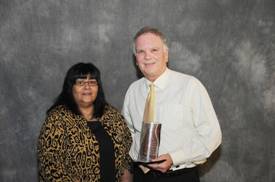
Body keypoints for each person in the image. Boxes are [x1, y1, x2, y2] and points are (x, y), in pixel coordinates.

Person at [122, 26, 222, 182]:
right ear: (136, 59)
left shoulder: (190, 86)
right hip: (142, 176)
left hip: (179, 176)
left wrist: (174, 157)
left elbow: (211, 136)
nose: (147, 56)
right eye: (141, 52)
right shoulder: (133, 91)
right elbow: (126, 133)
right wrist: (137, 156)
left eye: (154, 50)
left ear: (166, 55)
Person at [38, 62, 132, 182]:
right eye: (81, 82)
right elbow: (51, 170)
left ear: (98, 87)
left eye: (92, 82)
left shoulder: (112, 115)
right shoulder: (56, 119)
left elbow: (126, 159)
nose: (87, 87)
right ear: (71, 87)